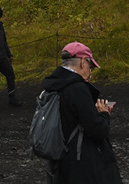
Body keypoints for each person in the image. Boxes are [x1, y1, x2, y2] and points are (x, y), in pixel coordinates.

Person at [42, 43, 120, 183]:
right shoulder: (77, 89)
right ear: (83, 62)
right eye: (90, 67)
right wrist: (103, 114)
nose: (90, 72)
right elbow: (97, 130)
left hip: (60, 160)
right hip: (82, 163)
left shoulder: (52, 86)